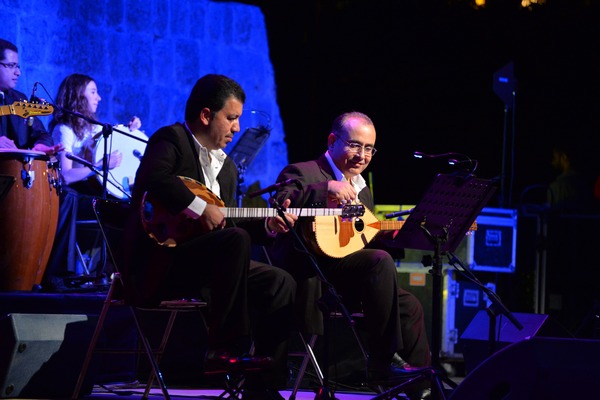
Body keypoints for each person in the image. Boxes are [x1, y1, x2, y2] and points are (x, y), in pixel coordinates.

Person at [122, 74, 297, 400]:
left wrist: (269, 226)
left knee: (280, 281)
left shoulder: (228, 169)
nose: (236, 128)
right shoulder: (171, 140)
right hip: (163, 264)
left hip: (210, 266)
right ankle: (225, 349)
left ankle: (265, 386)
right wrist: (200, 206)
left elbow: (227, 222)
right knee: (234, 243)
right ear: (206, 115)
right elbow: (152, 179)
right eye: (231, 118)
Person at [267, 112, 432, 396]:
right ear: (332, 141)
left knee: (410, 306)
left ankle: (421, 389)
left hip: (349, 278)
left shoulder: (362, 189)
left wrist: (391, 234)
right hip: (313, 276)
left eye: (369, 148)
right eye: (355, 145)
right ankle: (381, 364)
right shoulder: (304, 171)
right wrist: (325, 188)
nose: (363, 155)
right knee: (379, 261)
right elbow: (281, 200)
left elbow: (359, 237)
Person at [42, 73, 141, 292]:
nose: (99, 98)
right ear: (79, 96)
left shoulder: (93, 128)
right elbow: (66, 175)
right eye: (93, 92)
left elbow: (112, 139)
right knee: (112, 210)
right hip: (74, 197)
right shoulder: (63, 130)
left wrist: (130, 129)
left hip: (91, 195)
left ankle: (121, 273)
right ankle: (91, 272)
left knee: (134, 208)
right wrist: (98, 166)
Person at [0, 38, 61, 155]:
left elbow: (41, 133)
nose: (18, 72)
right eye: (11, 65)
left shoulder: (19, 99)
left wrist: (40, 145)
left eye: (18, 66)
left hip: (14, 171)